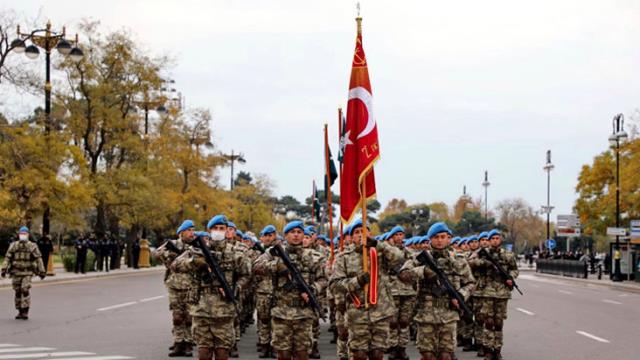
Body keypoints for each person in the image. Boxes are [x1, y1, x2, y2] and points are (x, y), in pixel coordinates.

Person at [173, 215, 250, 360]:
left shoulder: (236, 252)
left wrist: (237, 288)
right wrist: (194, 262)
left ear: (227, 231)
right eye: (215, 228)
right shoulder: (197, 250)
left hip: (225, 308)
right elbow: (175, 265)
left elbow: (246, 275)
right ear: (209, 230)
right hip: (201, 307)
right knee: (204, 351)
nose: (219, 231)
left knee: (222, 352)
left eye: (222, 228)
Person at [398, 222, 475, 360]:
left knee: (446, 356)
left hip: (449, 315)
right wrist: (423, 271)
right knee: (427, 355)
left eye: (443, 237)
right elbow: (403, 275)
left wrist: (461, 295)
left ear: (449, 238)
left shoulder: (458, 260)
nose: (440, 240)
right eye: (436, 237)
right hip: (426, 315)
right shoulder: (419, 258)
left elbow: (470, 283)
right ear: (430, 240)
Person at [330, 219, 405, 360]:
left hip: (380, 311)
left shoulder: (380, 253)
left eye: (364, 231)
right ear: (351, 237)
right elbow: (335, 285)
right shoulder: (343, 258)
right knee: (359, 354)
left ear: (370, 233)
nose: (360, 235)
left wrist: (378, 244)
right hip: (357, 313)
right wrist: (356, 281)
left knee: (378, 354)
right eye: (357, 232)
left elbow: (400, 257)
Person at [253, 220, 328, 360]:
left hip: (304, 313)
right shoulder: (274, 253)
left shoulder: (314, 257)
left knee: (302, 353)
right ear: (285, 235)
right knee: (282, 353)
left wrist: (313, 289)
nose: (296, 235)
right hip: (281, 312)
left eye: (299, 232)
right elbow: (256, 267)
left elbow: (324, 279)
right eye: (292, 232)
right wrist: (277, 265)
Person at [468, 229, 518, 360]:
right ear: (489, 241)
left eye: (497, 238)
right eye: (492, 238)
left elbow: (514, 269)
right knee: (488, 322)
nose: (495, 240)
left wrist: (510, 278)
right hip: (487, 292)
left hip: (502, 292)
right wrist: (485, 263)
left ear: (500, 240)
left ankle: (497, 349)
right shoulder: (481, 253)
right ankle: (488, 349)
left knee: (499, 322)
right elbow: (470, 263)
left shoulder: (507, 255)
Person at [153, 220, 197, 357]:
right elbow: (156, 254)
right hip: (174, 285)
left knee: (190, 317)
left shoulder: (195, 245)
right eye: (189, 230)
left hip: (191, 285)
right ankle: (179, 342)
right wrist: (169, 255)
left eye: (192, 230)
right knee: (177, 316)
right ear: (181, 232)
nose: (192, 233)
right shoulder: (172, 244)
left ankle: (189, 343)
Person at [1, 226, 46, 320]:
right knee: (17, 291)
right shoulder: (14, 245)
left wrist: (42, 271)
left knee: (25, 290)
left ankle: (25, 310)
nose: (23, 236)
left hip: (27, 272)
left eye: (24, 234)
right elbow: (7, 257)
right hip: (16, 272)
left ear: (28, 235)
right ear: (19, 235)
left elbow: (38, 259)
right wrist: (4, 269)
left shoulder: (32, 246)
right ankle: (19, 311)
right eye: (21, 234)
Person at [385, 226, 415, 360]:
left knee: (404, 321)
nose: (399, 237)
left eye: (401, 234)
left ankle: (402, 348)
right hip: (392, 290)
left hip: (408, 291)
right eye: (396, 234)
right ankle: (392, 347)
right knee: (392, 322)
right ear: (392, 237)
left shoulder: (410, 252)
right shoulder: (388, 252)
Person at [254, 225, 278, 358]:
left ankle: (274, 346)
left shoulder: (281, 250)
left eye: (271, 235)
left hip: (277, 291)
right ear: (261, 237)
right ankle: (264, 345)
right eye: (266, 235)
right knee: (263, 320)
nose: (269, 238)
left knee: (276, 320)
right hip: (263, 291)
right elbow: (254, 268)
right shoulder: (258, 252)